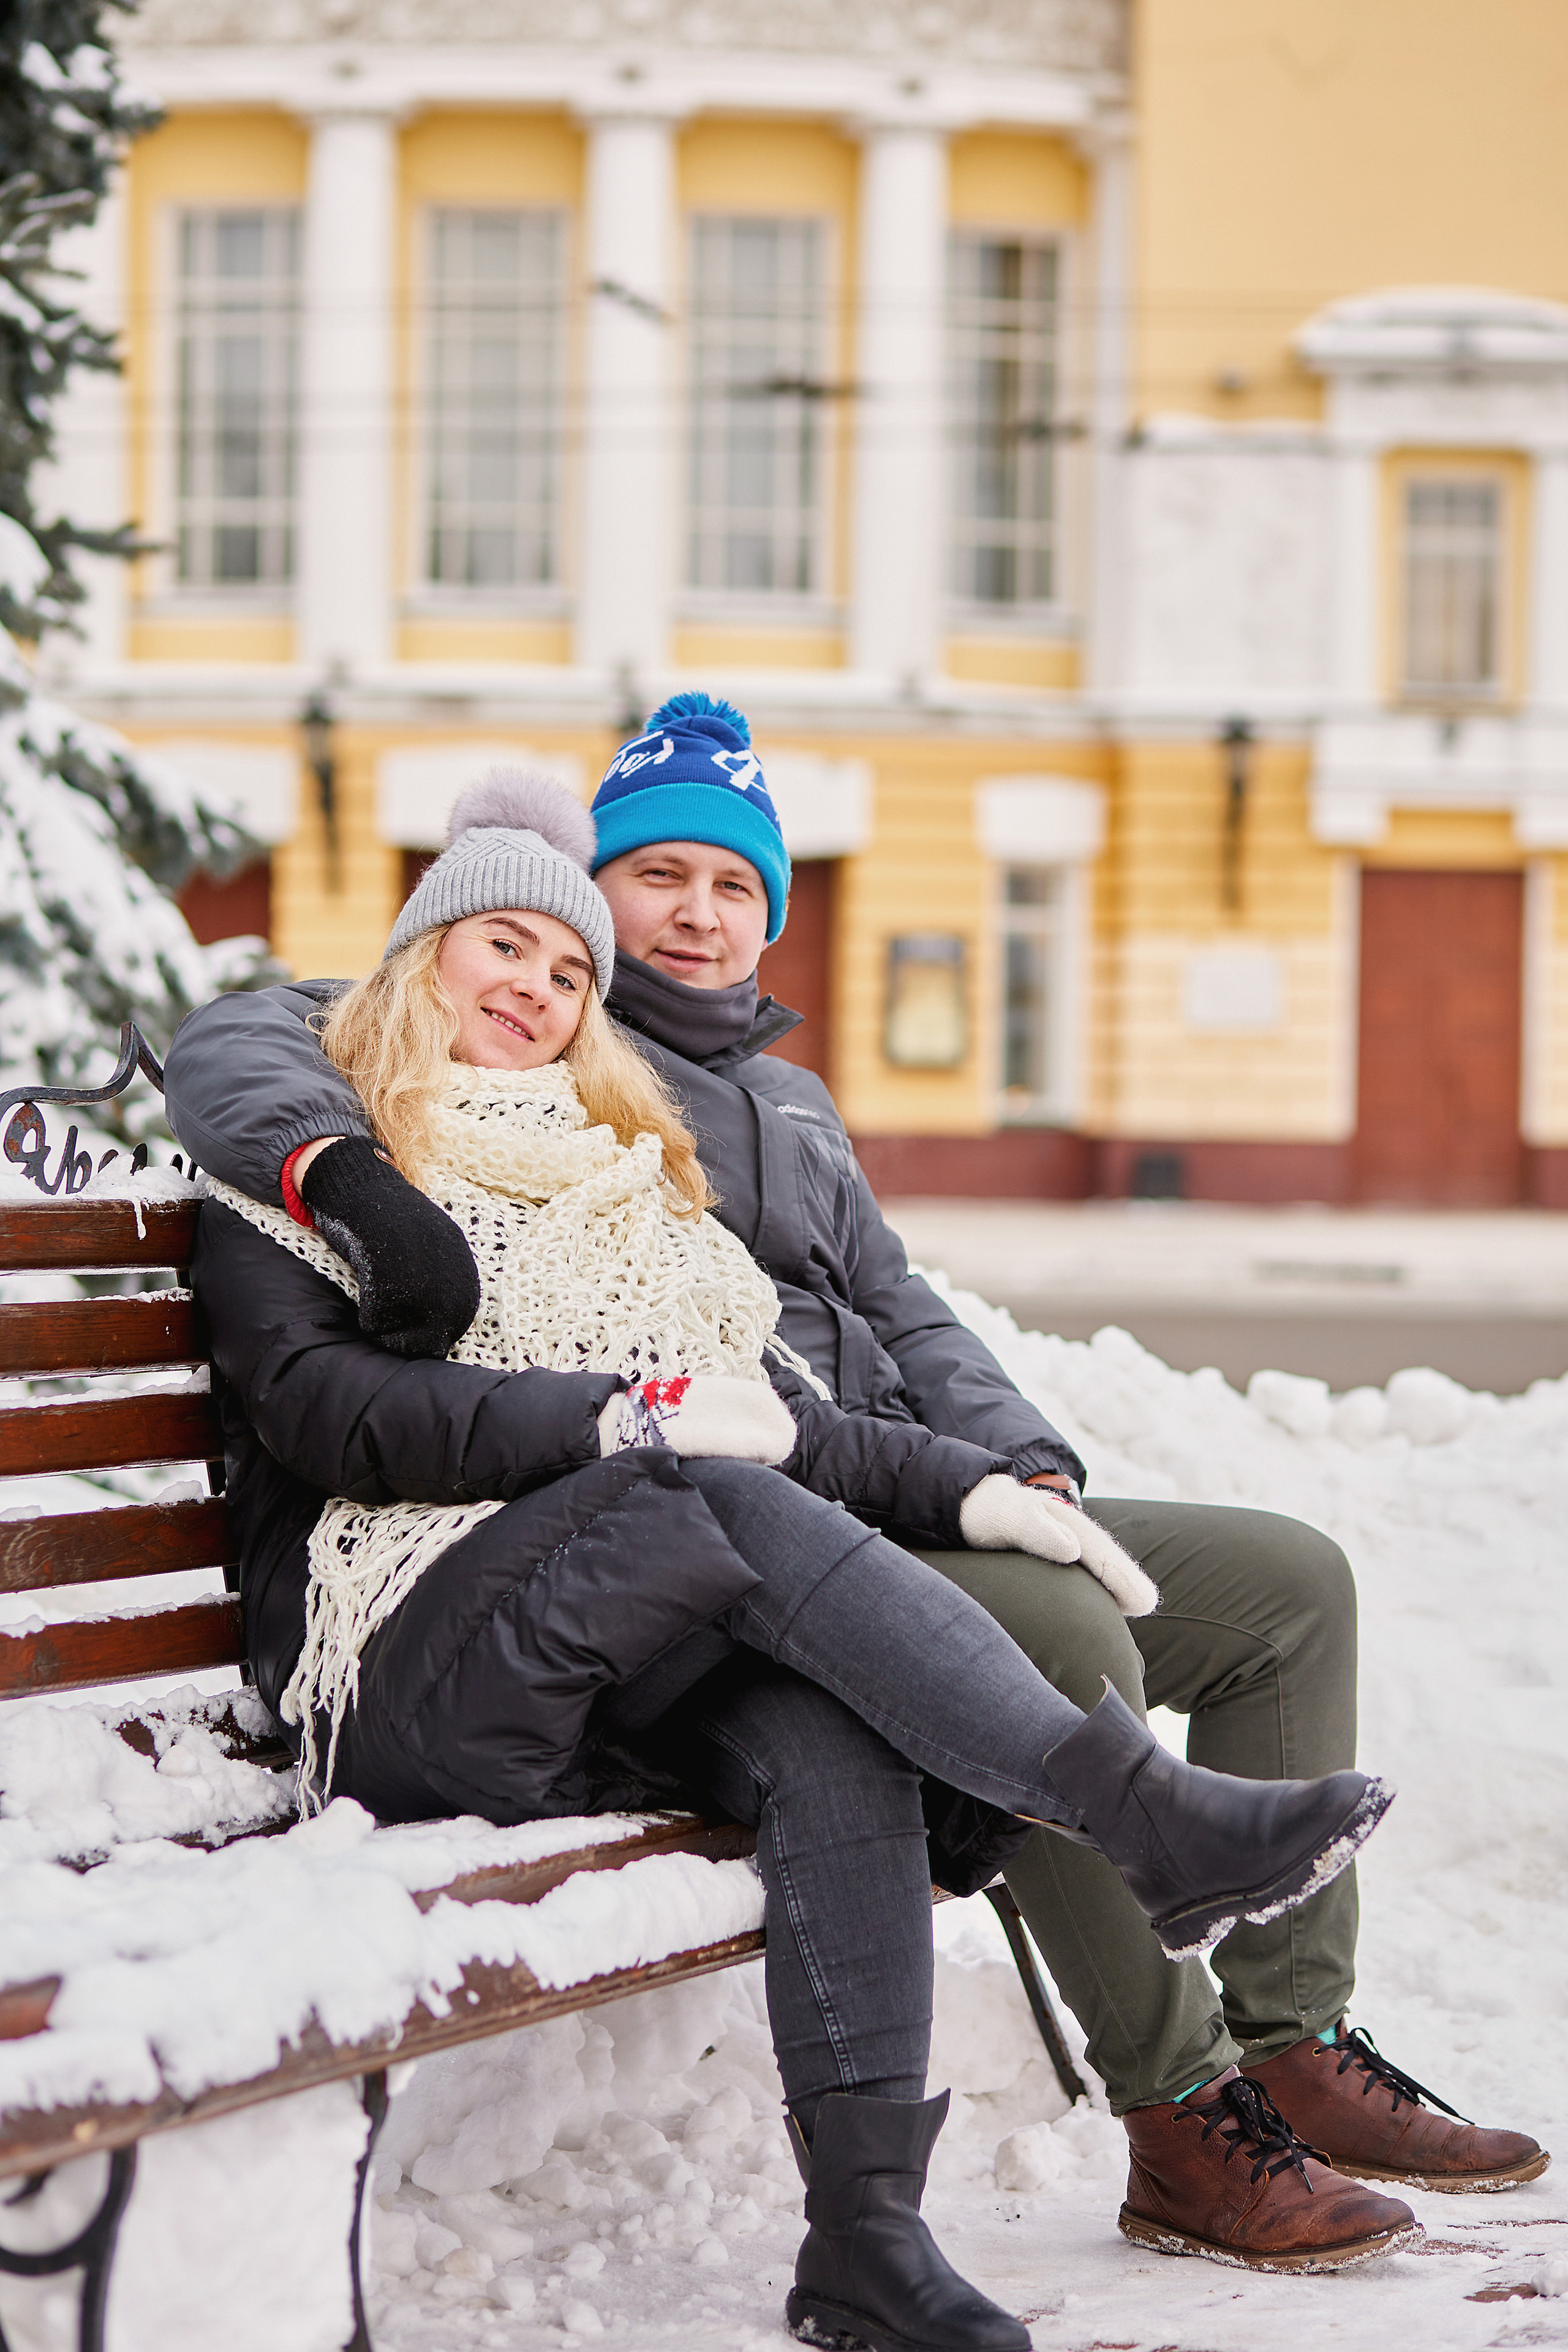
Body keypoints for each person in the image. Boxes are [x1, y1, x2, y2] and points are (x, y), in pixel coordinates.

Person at [165, 698, 1548, 2280]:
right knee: (1037, 1630)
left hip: (779, 1498)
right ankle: (1182, 2103)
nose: (687, 916)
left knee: (1287, 1580)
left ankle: (1180, 2091)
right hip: (621, 1544)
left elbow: (895, 1317)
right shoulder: (501, 1089)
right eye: (650, 878)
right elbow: (253, 1066)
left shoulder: (720, 1111)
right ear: (568, 885)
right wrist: (343, 1181)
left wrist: (1008, 1469)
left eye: (733, 885)